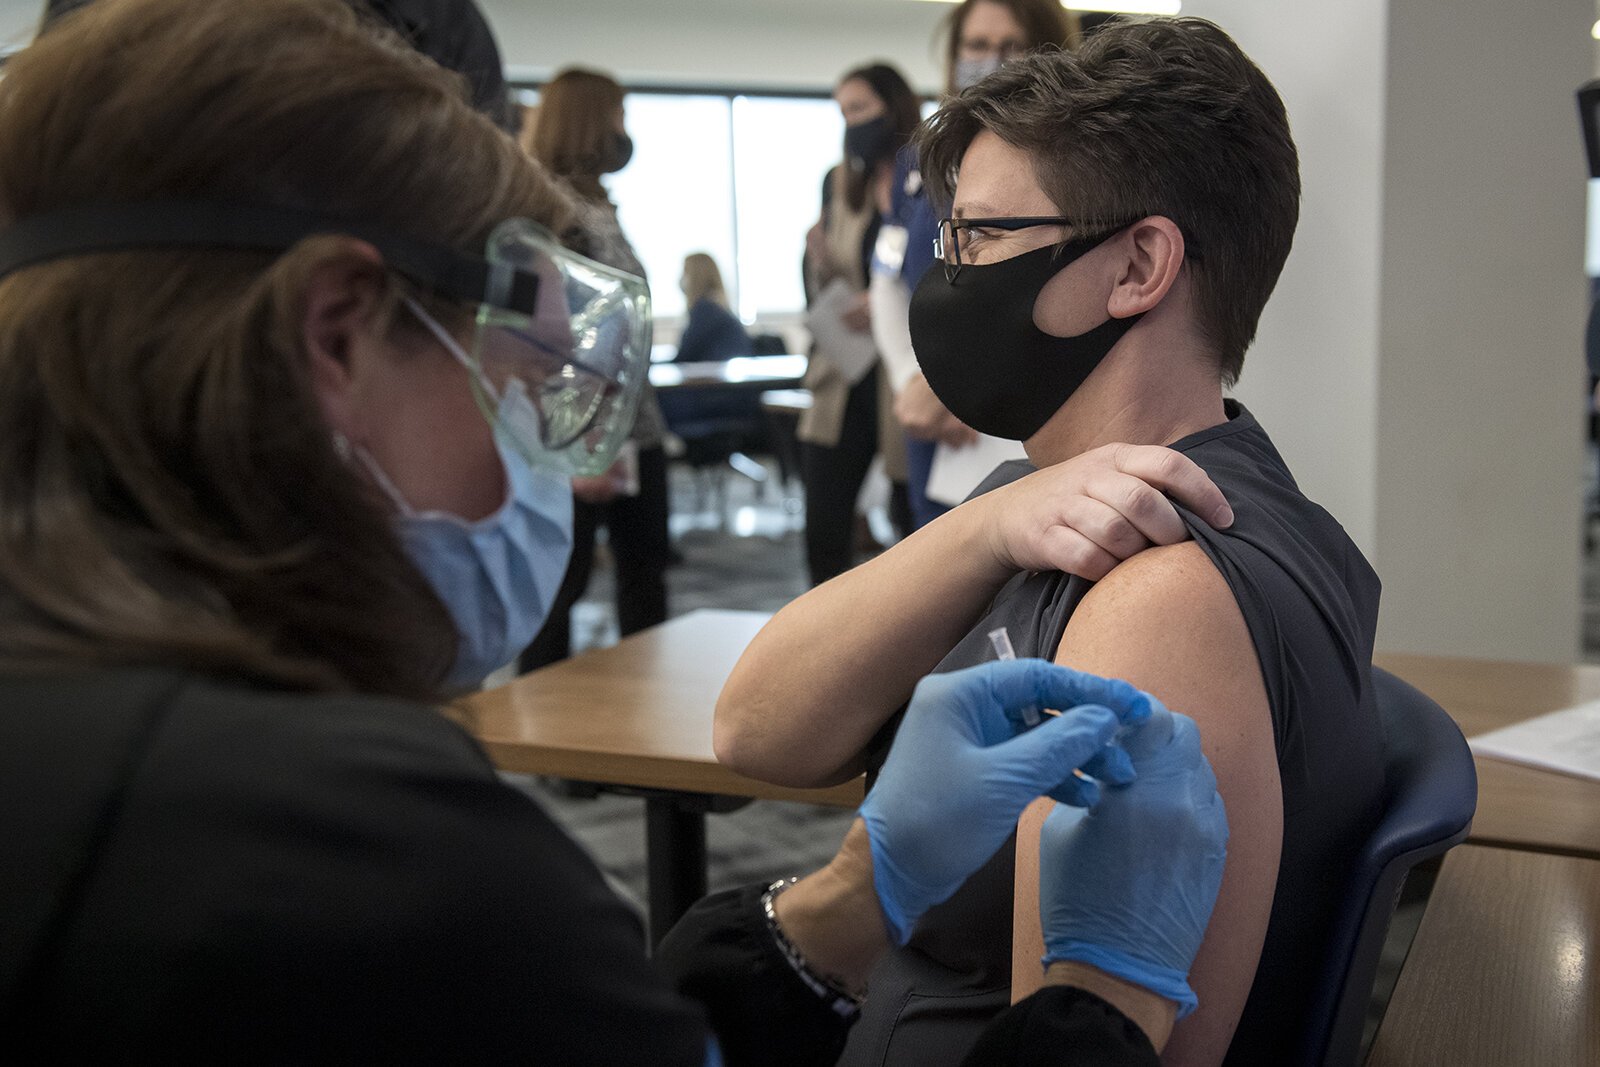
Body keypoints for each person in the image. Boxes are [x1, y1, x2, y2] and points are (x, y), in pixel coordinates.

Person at [0, 4, 1236, 1063]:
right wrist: (1101, 1002)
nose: (543, 450)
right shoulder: (354, 861)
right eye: (507, 366)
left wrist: (847, 906)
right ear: (336, 337)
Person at [717, 18, 1384, 1067]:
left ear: (1136, 267)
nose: (950, 274)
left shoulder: (1156, 595)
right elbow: (755, 732)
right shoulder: (1048, 495)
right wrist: (983, 523)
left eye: (978, 236)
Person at [872, 0, 1081, 532]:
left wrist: (963, 383)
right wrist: (911, 380)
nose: (992, 60)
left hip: (1019, 413)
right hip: (936, 424)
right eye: (977, 46)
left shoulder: (1075, 159)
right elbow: (887, 277)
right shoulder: (922, 159)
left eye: (1010, 46)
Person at [519, 67, 673, 671]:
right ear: (588, 120)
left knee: (644, 578)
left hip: (635, 425)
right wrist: (586, 440)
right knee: (561, 587)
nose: (623, 131)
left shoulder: (598, 205)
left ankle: (639, 730)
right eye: (617, 117)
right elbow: (557, 336)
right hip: (581, 433)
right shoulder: (550, 210)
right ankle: (546, 745)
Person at [799, 62, 921, 585]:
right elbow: (828, 279)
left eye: (861, 109)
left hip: (902, 369)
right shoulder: (840, 182)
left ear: (893, 106)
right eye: (843, 112)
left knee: (908, 516)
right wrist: (815, 259)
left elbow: (942, 268)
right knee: (825, 518)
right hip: (844, 368)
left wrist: (887, 299)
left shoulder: (928, 178)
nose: (851, 122)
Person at [675, 251, 752, 363]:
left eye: (685, 272)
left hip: (718, 377)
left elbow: (686, 354)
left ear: (696, 277)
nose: (681, 279)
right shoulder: (716, 305)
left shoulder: (706, 310)